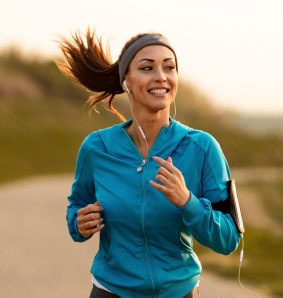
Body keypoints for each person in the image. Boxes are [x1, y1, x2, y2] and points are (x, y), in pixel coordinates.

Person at [57, 29, 241, 298]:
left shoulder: (201, 148)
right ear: (126, 81)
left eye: (169, 67)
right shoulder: (97, 148)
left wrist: (187, 201)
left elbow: (229, 239)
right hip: (111, 291)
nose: (161, 76)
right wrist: (78, 223)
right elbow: (76, 207)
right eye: (147, 68)